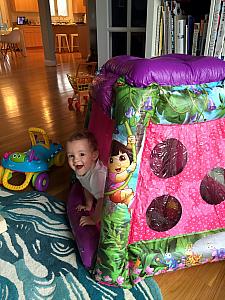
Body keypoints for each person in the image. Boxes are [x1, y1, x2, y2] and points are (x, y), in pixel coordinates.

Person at [67, 131, 107, 227]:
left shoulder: (97, 176)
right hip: (99, 196)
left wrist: (94, 219)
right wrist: (88, 206)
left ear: (94, 155)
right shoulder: (81, 170)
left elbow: (102, 200)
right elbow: (86, 187)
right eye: (71, 156)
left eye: (82, 154)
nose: (75, 160)